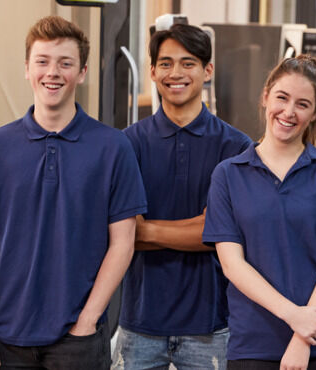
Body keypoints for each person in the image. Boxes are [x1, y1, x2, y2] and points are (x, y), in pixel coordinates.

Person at [0, 16, 147, 370]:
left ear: (82, 72)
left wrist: (88, 321)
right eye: (43, 62)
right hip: (5, 336)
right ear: (28, 68)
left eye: (66, 63)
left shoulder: (112, 147)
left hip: (78, 338)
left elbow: (123, 242)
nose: (53, 73)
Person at [202, 55, 316, 370]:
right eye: (282, 98)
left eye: (302, 104)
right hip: (254, 345)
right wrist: (295, 317)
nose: (289, 112)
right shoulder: (228, 175)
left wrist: (303, 337)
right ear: (265, 97)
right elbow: (233, 266)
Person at [113, 24, 252, 369]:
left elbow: (221, 235)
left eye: (188, 63)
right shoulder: (126, 145)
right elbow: (119, 234)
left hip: (212, 324)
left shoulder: (235, 147)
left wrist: (146, 232)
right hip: (139, 322)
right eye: (166, 63)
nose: (176, 73)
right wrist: (198, 228)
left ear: (207, 71)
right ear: (152, 72)